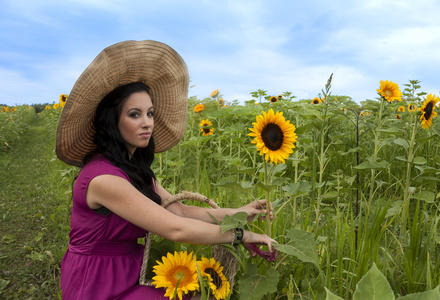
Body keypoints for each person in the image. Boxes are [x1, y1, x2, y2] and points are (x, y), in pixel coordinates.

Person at [56, 40, 277, 300]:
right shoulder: (103, 179)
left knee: (195, 293)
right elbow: (175, 228)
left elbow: (180, 211)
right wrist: (242, 235)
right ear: (112, 121)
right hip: (97, 281)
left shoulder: (134, 169)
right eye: (135, 114)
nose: (148, 123)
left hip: (131, 269)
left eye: (150, 113)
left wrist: (241, 213)